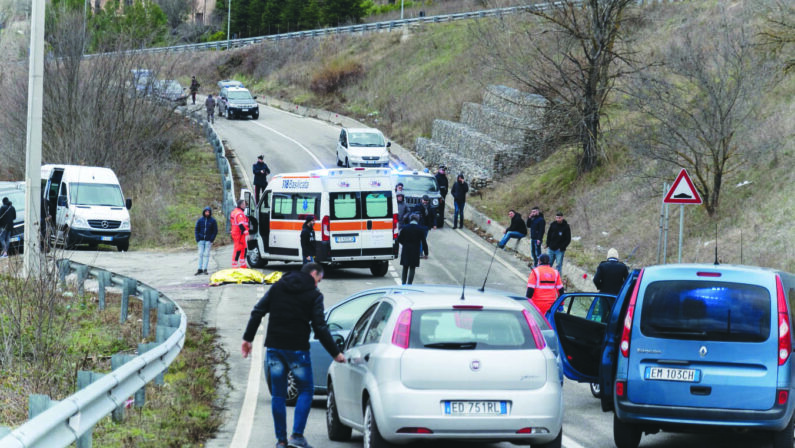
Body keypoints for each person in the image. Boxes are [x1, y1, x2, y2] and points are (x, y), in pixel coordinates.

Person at [241, 263, 345, 448]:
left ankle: (281, 441)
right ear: (314, 274)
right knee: (306, 391)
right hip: (298, 350)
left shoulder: (279, 286)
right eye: (318, 280)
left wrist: (248, 339)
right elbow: (320, 328)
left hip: (274, 348)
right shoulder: (314, 295)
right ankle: (296, 436)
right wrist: (336, 354)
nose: (317, 285)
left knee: (278, 396)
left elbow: (258, 311)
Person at [398, 214, 428, 285]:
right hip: (415, 250)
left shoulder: (405, 228)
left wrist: (405, 244)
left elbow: (399, 239)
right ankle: (409, 284)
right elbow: (424, 242)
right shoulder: (420, 229)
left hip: (406, 250)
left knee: (405, 267)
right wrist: (426, 253)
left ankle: (403, 283)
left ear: (410, 220)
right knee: (412, 267)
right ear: (417, 220)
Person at [194, 206, 218, 275]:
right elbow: (196, 229)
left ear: (210, 212)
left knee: (206, 254)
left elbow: (215, 231)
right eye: (206, 212)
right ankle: (199, 269)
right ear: (204, 212)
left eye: (208, 212)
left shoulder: (213, 221)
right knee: (200, 254)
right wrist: (197, 239)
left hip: (208, 241)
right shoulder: (200, 220)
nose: (207, 213)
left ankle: (205, 269)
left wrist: (211, 239)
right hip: (200, 240)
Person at [230, 199, 249, 268]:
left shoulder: (235, 212)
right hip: (239, 234)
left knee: (243, 248)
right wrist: (246, 233)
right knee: (238, 249)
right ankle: (235, 265)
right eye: (244, 204)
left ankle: (242, 264)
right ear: (241, 205)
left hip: (237, 233)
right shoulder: (239, 213)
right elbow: (241, 225)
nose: (245, 205)